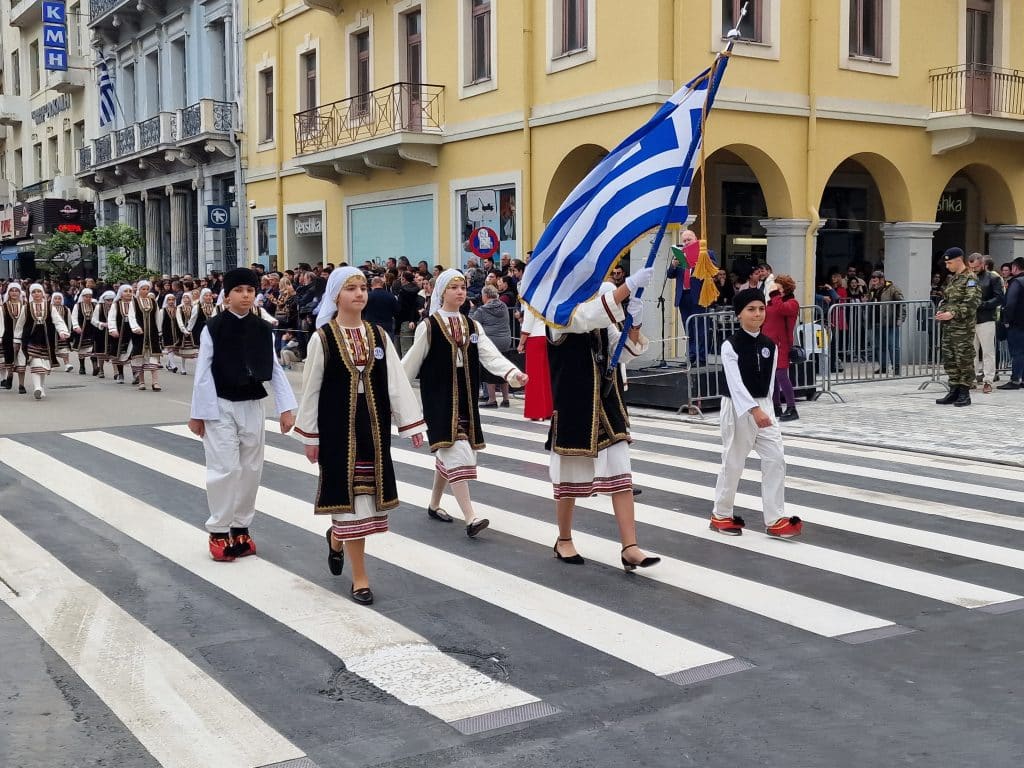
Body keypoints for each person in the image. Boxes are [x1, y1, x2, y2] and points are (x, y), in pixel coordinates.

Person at [295, 267, 425, 605]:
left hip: (373, 427)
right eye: (351, 288)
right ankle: (361, 578)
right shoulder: (322, 337)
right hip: (338, 430)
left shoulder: (379, 336)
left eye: (363, 288)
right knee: (349, 502)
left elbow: (395, 381)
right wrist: (311, 436)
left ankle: (337, 539)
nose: (359, 294)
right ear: (336, 295)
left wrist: (411, 423)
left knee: (365, 501)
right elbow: (311, 390)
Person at [543, 266, 661, 569]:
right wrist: (625, 289)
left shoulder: (599, 311)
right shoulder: (557, 310)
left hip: (607, 403)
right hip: (574, 405)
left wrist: (633, 323)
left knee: (621, 475)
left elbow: (620, 352)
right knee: (568, 477)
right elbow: (583, 320)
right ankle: (564, 539)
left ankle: (630, 546)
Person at [403, 269, 527, 538]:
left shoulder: (473, 326)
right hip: (439, 399)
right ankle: (471, 517)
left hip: (466, 398)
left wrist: (512, 373)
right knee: (457, 451)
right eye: (453, 287)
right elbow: (410, 364)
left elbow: (489, 355)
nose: (460, 291)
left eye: (463, 287)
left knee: (451, 450)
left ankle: (435, 504)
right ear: (442, 292)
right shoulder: (430, 326)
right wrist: (394, 396)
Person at [188, 268, 297, 562]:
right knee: (225, 467)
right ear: (227, 295)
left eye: (250, 290)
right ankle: (219, 530)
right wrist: (198, 414)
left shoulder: (263, 328)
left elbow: (274, 369)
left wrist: (286, 408)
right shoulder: (214, 327)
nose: (246, 295)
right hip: (220, 404)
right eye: (239, 290)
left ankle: (241, 526)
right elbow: (203, 373)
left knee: (251, 468)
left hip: (252, 404)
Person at [709, 288, 802, 538]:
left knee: (775, 458)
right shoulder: (730, 345)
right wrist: (753, 409)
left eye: (761, 309)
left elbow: (770, 383)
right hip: (738, 408)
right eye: (751, 309)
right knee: (733, 461)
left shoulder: (769, 344)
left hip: (764, 407)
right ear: (739, 314)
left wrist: (768, 408)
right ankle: (721, 514)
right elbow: (735, 383)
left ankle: (775, 518)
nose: (758, 314)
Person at [935, 247, 982, 407]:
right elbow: (948, 300)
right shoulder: (953, 279)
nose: (947, 266)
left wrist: (953, 314)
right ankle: (953, 389)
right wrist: (942, 311)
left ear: (958, 260)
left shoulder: (970, 278)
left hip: (963, 328)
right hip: (949, 328)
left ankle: (964, 392)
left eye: (949, 263)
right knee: (950, 359)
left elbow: (972, 302)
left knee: (964, 359)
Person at [14, 283, 70, 400]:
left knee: (44, 364)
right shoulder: (27, 307)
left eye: (38, 291)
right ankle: (37, 387)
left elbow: (58, 321)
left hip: (46, 339)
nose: (36, 294)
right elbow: (20, 325)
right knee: (35, 362)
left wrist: (62, 331)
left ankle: (41, 387)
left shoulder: (50, 307)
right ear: (31, 294)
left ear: (42, 293)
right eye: (33, 292)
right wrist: (17, 340)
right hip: (30, 338)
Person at [667, 229, 711, 366]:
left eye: (688, 240)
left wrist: (700, 261)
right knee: (688, 328)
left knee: (700, 328)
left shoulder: (706, 253)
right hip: (683, 296)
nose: (686, 243)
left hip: (698, 295)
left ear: (696, 239)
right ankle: (691, 357)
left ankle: (702, 358)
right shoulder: (680, 256)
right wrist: (673, 265)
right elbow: (670, 275)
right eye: (684, 241)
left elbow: (714, 269)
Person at [762, 275, 800, 422]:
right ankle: (776, 405)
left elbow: (782, 309)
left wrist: (774, 294)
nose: (775, 290)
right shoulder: (774, 301)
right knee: (772, 376)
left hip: (781, 343)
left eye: (779, 288)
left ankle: (792, 407)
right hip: (769, 343)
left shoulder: (792, 303)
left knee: (781, 374)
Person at [471, 285, 515, 407]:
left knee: (489, 370)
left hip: (491, 342)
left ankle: (492, 399)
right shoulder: (504, 306)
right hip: (505, 341)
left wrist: (472, 308)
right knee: (503, 369)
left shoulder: (482, 310)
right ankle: (506, 399)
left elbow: (472, 324)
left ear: (485, 296)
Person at [967, 252, 1004, 394]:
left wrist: (983, 304)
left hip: (986, 319)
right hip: (971, 319)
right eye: (971, 267)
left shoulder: (993, 278)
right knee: (971, 351)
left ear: (983, 264)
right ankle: (971, 379)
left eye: (976, 267)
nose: (974, 269)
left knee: (988, 351)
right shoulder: (969, 277)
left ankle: (988, 380)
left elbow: (1000, 298)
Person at [866, 270, 906, 375]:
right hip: (876, 322)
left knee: (893, 346)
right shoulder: (872, 290)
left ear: (882, 280)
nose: (874, 282)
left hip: (890, 322)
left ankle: (896, 367)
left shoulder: (892, 289)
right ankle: (883, 366)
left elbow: (902, 303)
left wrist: (900, 318)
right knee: (879, 346)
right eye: (873, 280)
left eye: (876, 280)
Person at [998, 257, 1024, 389]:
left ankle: (1015, 380)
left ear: (1014, 268)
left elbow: (1010, 303)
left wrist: (1006, 320)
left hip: (1016, 323)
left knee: (1017, 352)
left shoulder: (1016, 282)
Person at [1, 283, 26, 393]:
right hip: (8, 336)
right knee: (9, 359)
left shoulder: (25, 306)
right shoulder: (3, 307)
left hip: (22, 337)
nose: (14, 292)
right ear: (9, 292)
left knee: (21, 359)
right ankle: (10, 375)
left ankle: (21, 385)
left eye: (17, 290)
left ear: (20, 292)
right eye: (12, 290)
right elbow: (1, 322)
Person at [70, 288, 99, 376]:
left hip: (92, 329)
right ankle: (82, 366)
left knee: (93, 348)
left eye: (90, 297)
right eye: (86, 297)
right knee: (82, 349)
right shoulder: (77, 306)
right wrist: (76, 326)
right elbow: (74, 317)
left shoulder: (95, 305)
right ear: (82, 297)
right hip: (81, 330)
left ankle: (95, 366)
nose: (88, 298)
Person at [50, 293, 74, 372]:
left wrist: (68, 331)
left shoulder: (66, 309)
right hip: (52, 332)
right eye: (55, 298)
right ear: (53, 299)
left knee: (64, 348)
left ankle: (67, 364)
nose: (57, 300)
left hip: (62, 332)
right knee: (51, 348)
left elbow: (69, 321)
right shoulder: (49, 309)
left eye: (59, 298)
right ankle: (51, 363)